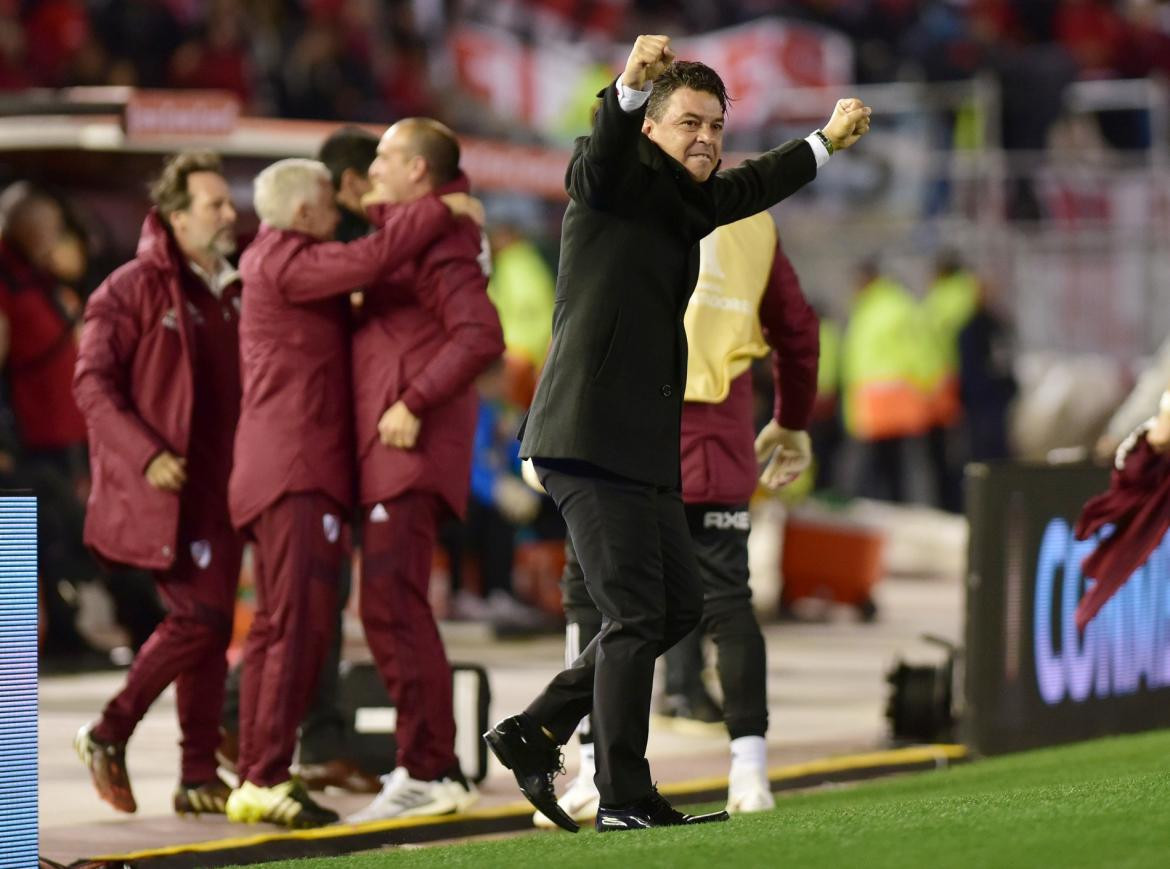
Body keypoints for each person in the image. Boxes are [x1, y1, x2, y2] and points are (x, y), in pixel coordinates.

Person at [483, 34, 870, 834]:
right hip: (586, 437)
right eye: (689, 121)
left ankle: (537, 726)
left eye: (716, 126)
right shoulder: (610, 178)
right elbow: (599, 154)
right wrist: (625, 85)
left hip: (640, 447)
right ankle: (624, 799)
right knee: (632, 615)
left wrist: (824, 143)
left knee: (679, 605)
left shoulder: (688, 204)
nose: (706, 138)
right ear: (652, 125)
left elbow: (760, 181)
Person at [537, 212, 820, 827]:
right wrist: (793, 417)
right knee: (727, 602)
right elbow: (796, 326)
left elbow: (578, 320)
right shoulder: (755, 222)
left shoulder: (625, 200)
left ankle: (587, 771)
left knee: (594, 602)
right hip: (717, 437)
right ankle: (750, 771)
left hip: (622, 435)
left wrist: (546, 425)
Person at [224, 157, 482, 829]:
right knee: (295, 627)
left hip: (297, 469)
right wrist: (444, 207)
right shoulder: (284, 258)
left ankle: (260, 769)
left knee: (288, 625)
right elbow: (375, 255)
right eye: (330, 207)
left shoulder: (284, 256)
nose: (345, 213)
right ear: (307, 214)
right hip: (296, 470)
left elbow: (372, 246)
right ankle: (263, 773)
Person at [72, 151, 244, 817]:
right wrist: (145, 455)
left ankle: (198, 773)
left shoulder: (231, 287)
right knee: (197, 617)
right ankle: (109, 729)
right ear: (174, 217)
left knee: (211, 624)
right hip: (168, 487)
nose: (230, 215)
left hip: (225, 487)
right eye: (215, 205)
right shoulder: (128, 288)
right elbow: (90, 383)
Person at [345, 118, 504, 823]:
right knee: (390, 604)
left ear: (416, 168)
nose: (373, 168)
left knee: (393, 603)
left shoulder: (440, 237)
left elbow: (481, 333)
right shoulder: (422, 230)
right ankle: (431, 763)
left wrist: (412, 400)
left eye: (383, 157)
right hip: (395, 450)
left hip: (409, 448)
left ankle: (428, 766)